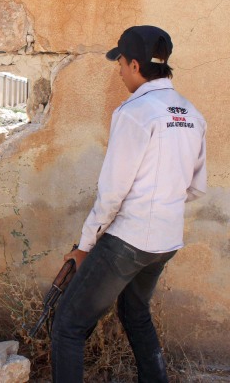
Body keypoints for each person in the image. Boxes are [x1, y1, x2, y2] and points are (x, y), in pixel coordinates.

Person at [51, 26, 207, 382]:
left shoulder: (134, 111)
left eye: (120, 62)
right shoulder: (192, 113)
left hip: (129, 240)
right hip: (166, 240)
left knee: (68, 324)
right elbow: (195, 187)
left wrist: (84, 247)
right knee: (135, 310)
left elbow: (111, 193)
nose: (119, 70)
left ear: (135, 64)